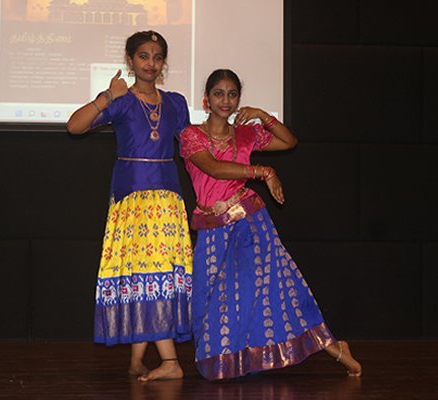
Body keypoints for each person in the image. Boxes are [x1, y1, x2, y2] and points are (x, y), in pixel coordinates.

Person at [179, 69, 362, 380]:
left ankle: (333, 347)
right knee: (213, 297)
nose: (226, 100)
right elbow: (213, 168)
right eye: (219, 93)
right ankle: (232, 360)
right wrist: (263, 171)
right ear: (206, 99)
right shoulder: (191, 135)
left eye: (232, 94)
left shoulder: (246, 134)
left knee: (275, 288)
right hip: (211, 229)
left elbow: (289, 141)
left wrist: (263, 115)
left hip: (248, 224)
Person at [67, 31, 193, 382]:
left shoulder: (176, 103)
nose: (151, 63)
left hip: (167, 202)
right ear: (130, 60)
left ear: (163, 62)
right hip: (132, 202)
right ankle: (141, 361)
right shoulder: (121, 101)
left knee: (158, 275)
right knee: (143, 276)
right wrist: (107, 96)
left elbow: (193, 148)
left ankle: (167, 362)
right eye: (143, 56)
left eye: (157, 56)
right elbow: (74, 126)